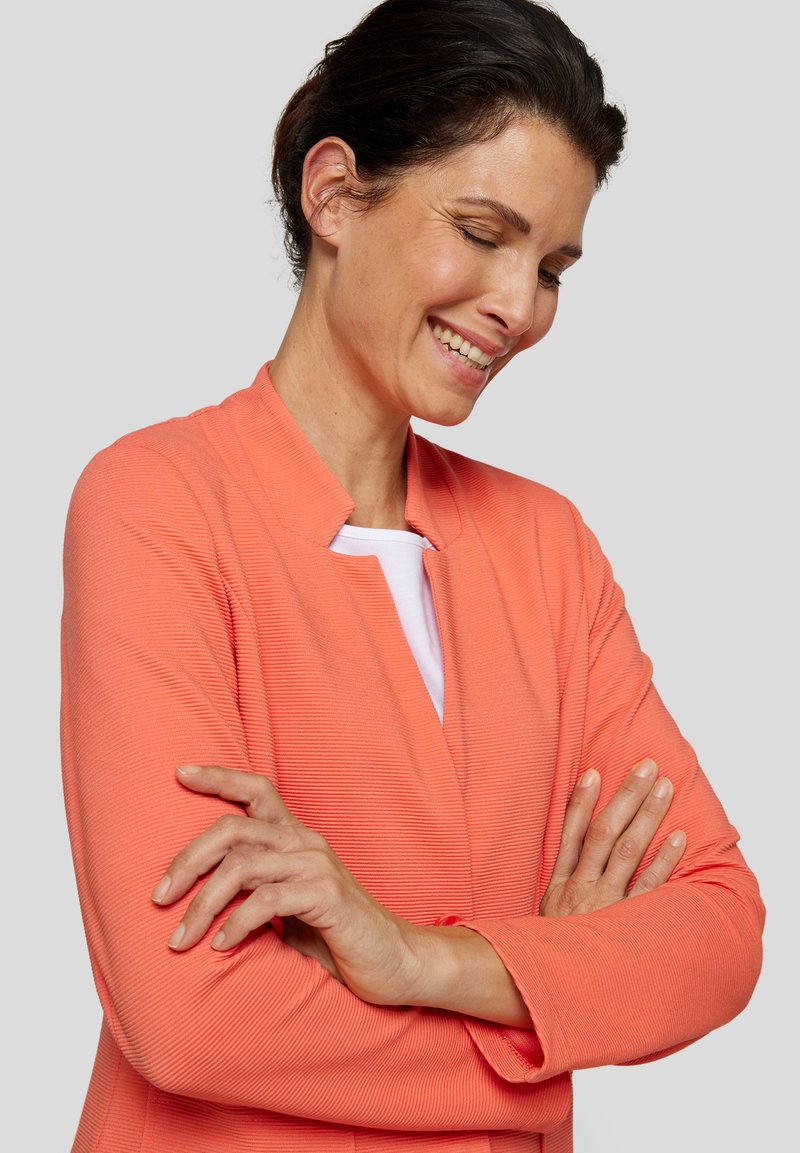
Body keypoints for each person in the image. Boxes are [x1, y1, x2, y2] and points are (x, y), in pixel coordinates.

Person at [59, 1, 764, 1150]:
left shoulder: (546, 548)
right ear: (335, 193)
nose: (517, 307)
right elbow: (190, 1016)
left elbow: (718, 932)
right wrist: (547, 1018)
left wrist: (414, 958)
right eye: (481, 232)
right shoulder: (158, 504)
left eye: (550, 267)